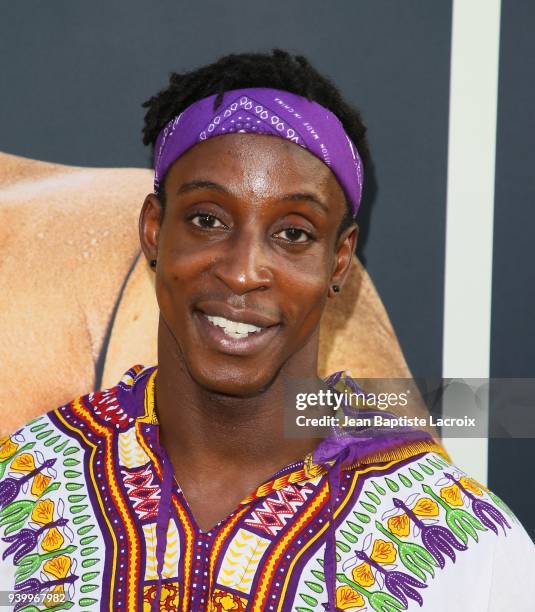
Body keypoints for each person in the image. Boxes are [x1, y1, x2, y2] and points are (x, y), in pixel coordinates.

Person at [0, 50, 533, 611]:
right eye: (208, 219)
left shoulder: (468, 554)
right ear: (155, 231)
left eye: (294, 233)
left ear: (339, 261)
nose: (242, 270)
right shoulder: (25, 490)